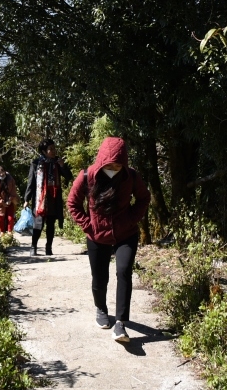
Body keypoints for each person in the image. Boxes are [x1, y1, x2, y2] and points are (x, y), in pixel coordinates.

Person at [67, 136, 150, 345]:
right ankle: (101, 308)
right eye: (109, 164)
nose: (113, 168)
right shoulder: (87, 176)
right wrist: (89, 226)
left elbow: (144, 198)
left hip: (126, 234)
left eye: (117, 164)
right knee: (99, 277)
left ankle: (121, 322)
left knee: (123, 271)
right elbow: (73, 202)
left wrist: (131, 219)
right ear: (101, 160)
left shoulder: (130, 176)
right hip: (97, 236)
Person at [24, 138, 73, 256]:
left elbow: (69, 177)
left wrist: (62, 166)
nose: (53, 151)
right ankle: (33, 246)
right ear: (44, 151)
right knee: (38, 223)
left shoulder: (57, 162)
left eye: (54, 148)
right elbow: (31, 182)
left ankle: (48, 248)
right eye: (50, 149)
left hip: (53, 197)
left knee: (51, 224)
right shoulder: (36, 163)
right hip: (40, 198)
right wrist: (26, 199)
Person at [0, 166, 19, 233]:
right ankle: (2, 232)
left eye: (2, 172)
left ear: (4, 171)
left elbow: (13, 190)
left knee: (11, 218)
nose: (1, 174)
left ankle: (10, 232)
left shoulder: (10, 179)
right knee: (1, 218)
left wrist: (10, 199)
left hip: (10, 201)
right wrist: (1, 202)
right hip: (0, 203)